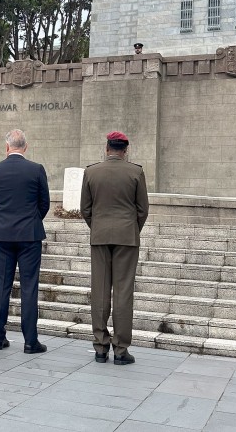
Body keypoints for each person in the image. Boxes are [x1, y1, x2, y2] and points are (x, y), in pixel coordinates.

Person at [80, 131, 149, 365]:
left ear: (107, 147)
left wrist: (98, 227)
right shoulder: (136, 172)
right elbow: (143, 209)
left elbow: (85, 209)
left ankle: (100, 347)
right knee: (123, 292)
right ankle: (121, 350)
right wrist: (130, 229)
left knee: (99, 290)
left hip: (99, 236)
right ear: (125, 150)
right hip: (127, 237)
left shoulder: (91, 172)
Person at [0, 129, 50, 354]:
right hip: (29, 235)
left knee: (1, 286)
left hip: (3, 235)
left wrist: (5, 220)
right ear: (26, 146)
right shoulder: (36, 169)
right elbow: (45, 203)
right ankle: (31, 341)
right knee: (29, 287)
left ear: (6, 147)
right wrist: (31, 220)